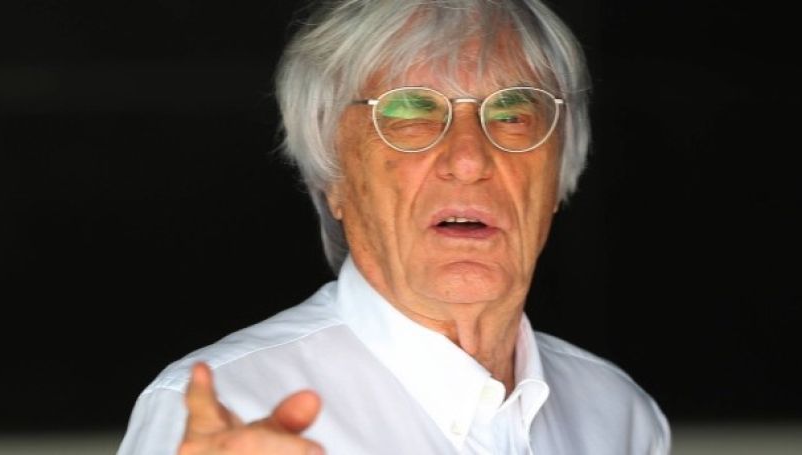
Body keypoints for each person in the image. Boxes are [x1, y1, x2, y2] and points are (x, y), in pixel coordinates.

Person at [118, 0, 670, 453]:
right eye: (410, 113)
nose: (469, 159)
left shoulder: (618, 415)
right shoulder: (228, 410)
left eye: (510, 115)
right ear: (333, 177)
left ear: (556, 175)